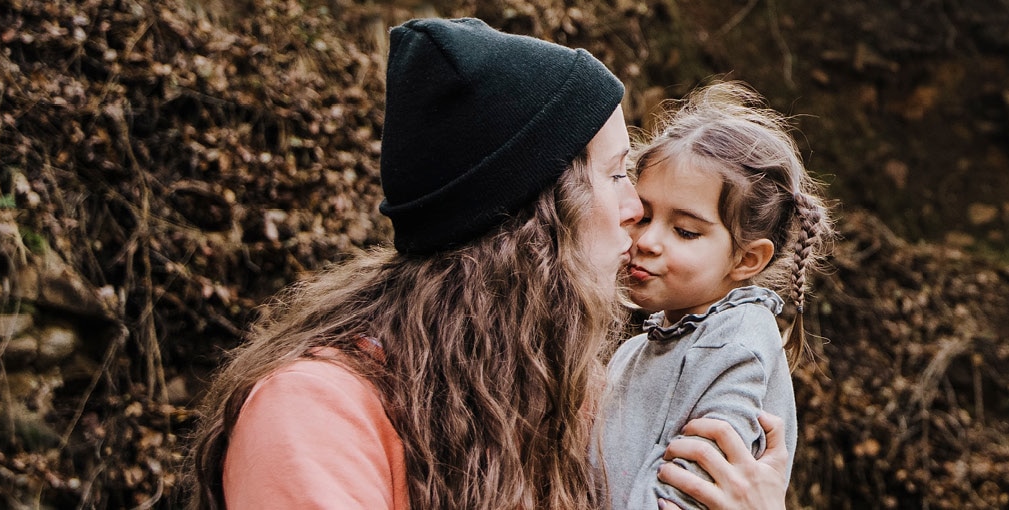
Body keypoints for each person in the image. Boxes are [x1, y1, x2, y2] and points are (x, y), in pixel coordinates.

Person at [185, 18, 785, 510]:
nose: (636, 210)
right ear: (536, 219)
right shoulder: (318, 415)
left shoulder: (566, 397)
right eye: (615, 174)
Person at [602, 82, 834, 510]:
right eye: (644, 215)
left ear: (746, 260)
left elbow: (695, 490)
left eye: (685, 231)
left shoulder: (737, 340)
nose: (647, 240)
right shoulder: (638, 349)